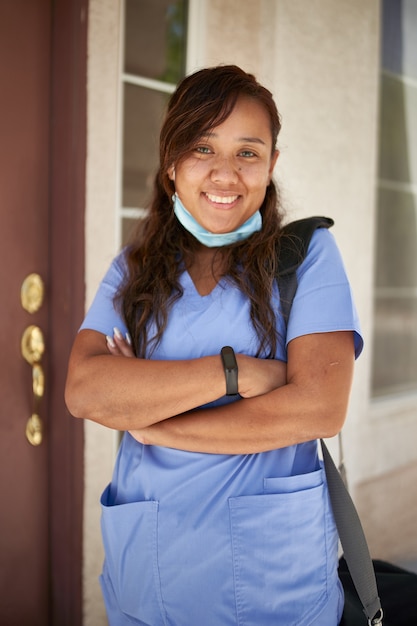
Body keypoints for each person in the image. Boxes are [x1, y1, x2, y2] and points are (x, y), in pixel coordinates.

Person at [65, 65, 363, 625]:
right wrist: (238, 373)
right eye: (203, 147)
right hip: (146, 580)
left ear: (272, 164)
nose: (225, 174)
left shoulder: (306, 256)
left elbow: (320, 407)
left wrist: (155, 425)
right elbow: (86, 389)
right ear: (172, 163)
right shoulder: (135, 269)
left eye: (248, 153)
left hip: (275, 588)